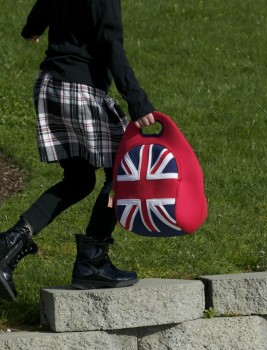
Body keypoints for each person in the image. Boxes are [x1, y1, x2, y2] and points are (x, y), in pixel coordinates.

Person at [0, 0, 156, 302]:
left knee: (79, 180)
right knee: (122, 175)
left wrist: (32, 29)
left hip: (50, 86)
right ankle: (92, 260)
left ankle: (8, 245)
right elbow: (112, 45)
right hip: (79, 90)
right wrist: (137, 101)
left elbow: (42, 9)